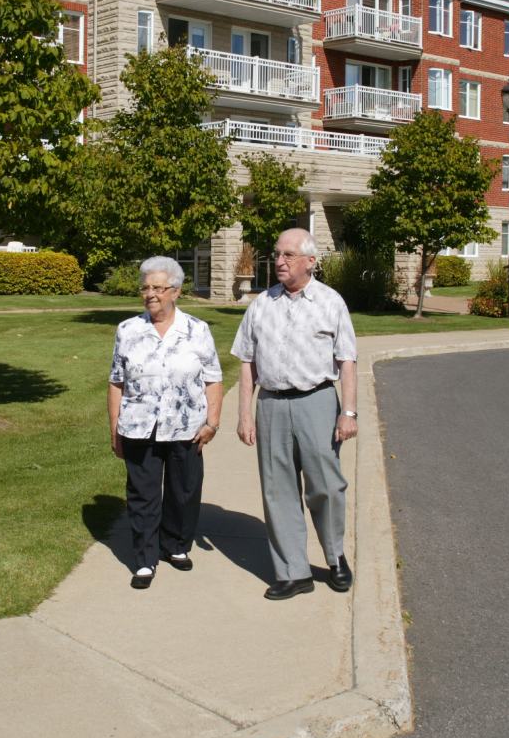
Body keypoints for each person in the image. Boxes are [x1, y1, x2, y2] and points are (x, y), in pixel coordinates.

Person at [231, 228, 358, 600]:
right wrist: (244, 414)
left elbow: (347, 361)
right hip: (271, 403)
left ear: (310, 261)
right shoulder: (261, 304)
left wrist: (347, 412)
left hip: (316, 401)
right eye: (278, 254)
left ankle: (335, 557)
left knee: (326, 485)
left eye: (288, 255)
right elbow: (246, 362)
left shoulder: (331, 302)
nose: (280, 262)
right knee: (277, 488)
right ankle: (293, 572)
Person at [109, 256, 223, 589]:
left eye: (158, 288)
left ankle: (175, 546)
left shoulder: (197, 331)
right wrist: (114, 429)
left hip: (187, 426)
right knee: (143, 495)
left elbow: (213, 379)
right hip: (138, 426)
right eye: (145, 287)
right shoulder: (128, 330)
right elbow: (117, 382)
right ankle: (144, 559)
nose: (150, 294)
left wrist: (212, 422)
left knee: (184, 491)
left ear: (175, 291)